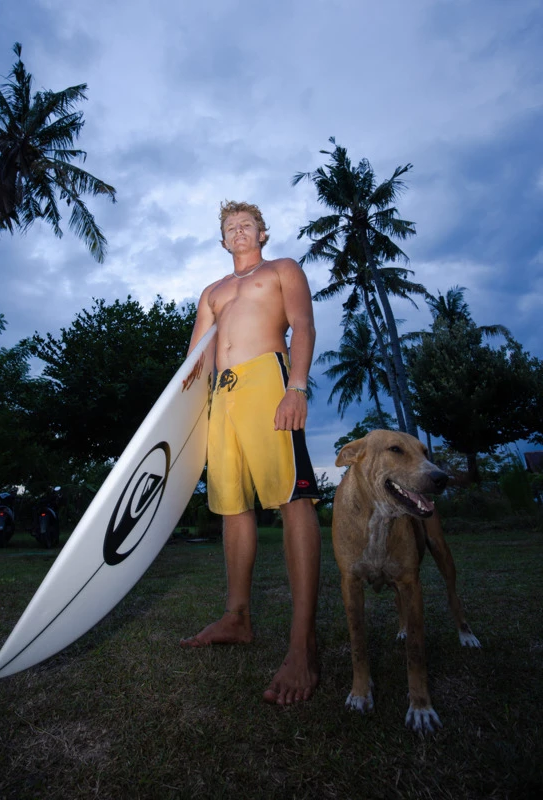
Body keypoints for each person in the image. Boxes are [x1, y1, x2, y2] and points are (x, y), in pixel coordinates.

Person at [180, 200, 322, 705]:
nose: (238, 231)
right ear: (222, 240)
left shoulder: (283, 269)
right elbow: (195, 360)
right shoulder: (212, 292)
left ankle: (302, 645)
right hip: (224, 395)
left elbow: (302, 325)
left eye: (247, 225)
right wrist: (180, 421)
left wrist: (297, 387)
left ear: (262, 233)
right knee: (231, 505)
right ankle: (236, 617)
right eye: (230, 227)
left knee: (292, 499)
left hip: (269, 380)